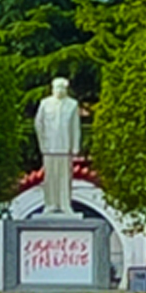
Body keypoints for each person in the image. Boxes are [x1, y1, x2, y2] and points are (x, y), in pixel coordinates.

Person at [34, 76, 83, 217]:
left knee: (65, 178)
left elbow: (75, 127)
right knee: (50, 178)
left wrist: (75, 146)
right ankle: (50, 205)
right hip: (49, 147)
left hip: (65, 147)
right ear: (52, 89)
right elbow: (38, 124)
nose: (59, 90)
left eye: (62, 88)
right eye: (57, 87)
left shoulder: (72, 104)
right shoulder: (45, 104)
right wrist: (42, 143)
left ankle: (65, 204)